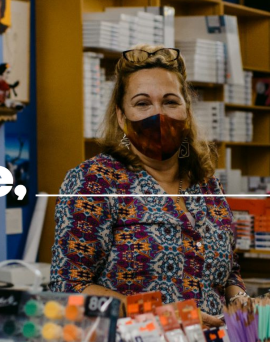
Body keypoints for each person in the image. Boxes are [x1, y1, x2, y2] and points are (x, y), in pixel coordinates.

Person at [49, 45, 247, 326]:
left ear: (186, 112)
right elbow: (68, 288)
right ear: (121, 116)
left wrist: (239, 298)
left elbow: (227, 270)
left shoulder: (206, 184)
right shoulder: (94, 182)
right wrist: (160, 316)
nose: (159, 115)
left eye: (170, 102)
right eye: (142, 103)